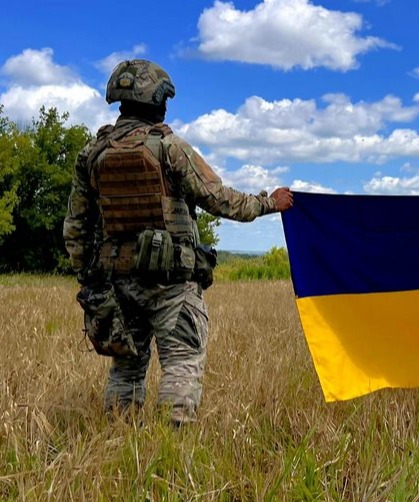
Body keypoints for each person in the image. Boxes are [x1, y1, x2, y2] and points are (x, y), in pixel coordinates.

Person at [63, 59, 294, 425]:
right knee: (182, 362)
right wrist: (269, 203)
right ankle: (173, 447)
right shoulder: (171, 148)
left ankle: (118, 440)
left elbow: (76, 226)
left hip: (117, 283)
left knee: (126, 368)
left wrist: (90, 280)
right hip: (172, 282)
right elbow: (220, 200)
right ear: (155, 99)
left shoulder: (92, 155)